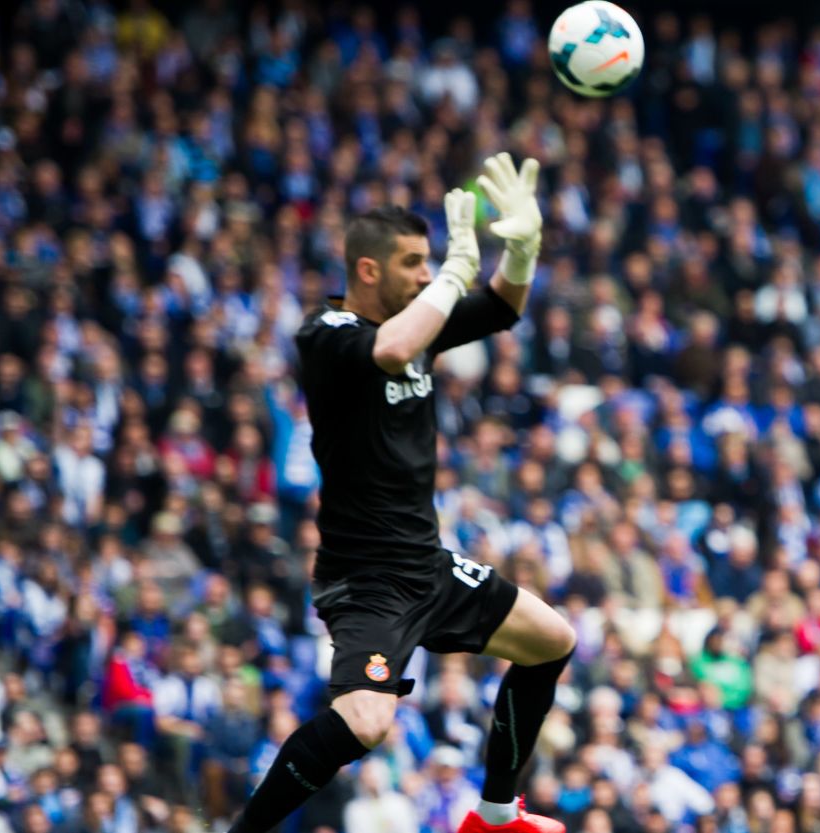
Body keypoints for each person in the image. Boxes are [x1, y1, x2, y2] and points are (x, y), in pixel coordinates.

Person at [228, 153, 575, 833]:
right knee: (367, 721)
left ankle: (496, 817)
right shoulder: (326, 335)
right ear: (368, 270)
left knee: (551, 639)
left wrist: (524, 247)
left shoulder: (419, 325)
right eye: (414, 263)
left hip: (427, 563)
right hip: (368, 580)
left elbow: (503, 307)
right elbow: (388, 351)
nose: (426, 273)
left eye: (430, 262)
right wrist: (450, 276)